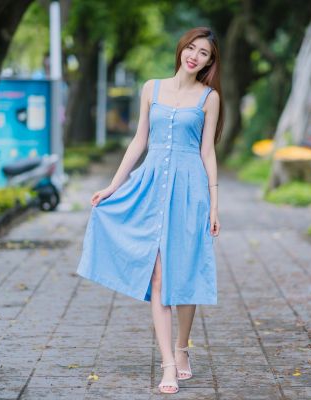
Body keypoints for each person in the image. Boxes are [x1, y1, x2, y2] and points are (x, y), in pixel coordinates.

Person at [76, 26, 223, 394]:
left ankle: (182, 347)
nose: (194, 56)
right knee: (158, 277)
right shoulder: (151, 88)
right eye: (191, 47)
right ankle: (169, 365)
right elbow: (139, 140)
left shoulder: (209, 97)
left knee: (185, 275)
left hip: (190, 190)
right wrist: (113, 185)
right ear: (181, 49)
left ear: (210, 61)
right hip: (151, 185)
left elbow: (207, 151)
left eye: (203, 53)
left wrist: (215, 205)